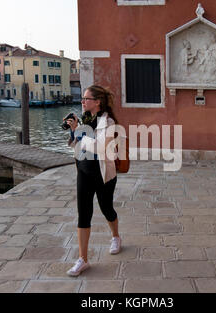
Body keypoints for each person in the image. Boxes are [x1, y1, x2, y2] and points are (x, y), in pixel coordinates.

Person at [64, 85, 121, 277]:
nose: (83, 101)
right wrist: (74, 130)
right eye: (83, 98)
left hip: (102, 173)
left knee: (107, 209)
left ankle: (115, 236)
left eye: (87, 98)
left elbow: (99, 148)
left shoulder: (109, 122)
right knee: (84, 213)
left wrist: (80, 132)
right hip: (84, 171)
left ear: (97, 102)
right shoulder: (85, 120)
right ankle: (83, 260)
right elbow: (76, 144)